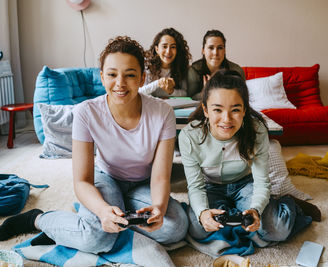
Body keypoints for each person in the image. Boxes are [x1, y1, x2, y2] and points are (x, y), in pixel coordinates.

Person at [0, 36, 188, 254]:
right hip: (106, 177)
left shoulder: (162, 112)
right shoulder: (85, 112)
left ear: (142, 78)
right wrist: (102, 210)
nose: (120, 83)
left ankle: (119, 211)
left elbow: (161, 176)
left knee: (176, 228)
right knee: (96, 239)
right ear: (102, 77)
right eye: (111, 74)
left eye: (130, 75)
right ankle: (38, 219)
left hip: (143, 182)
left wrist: (158, 207)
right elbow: (82, 181)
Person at [179, 69, 319, 243]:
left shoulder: (257, 130)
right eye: (217, 110)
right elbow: (195, 186)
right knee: (197, 229)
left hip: (245, 184)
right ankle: (234, 215)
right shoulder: (189, 136)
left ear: (244, 110)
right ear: (206, 110)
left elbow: (261, 182)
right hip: (210, 187)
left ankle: (288, 204)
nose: (226, 119)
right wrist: (202, 213)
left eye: (235, 110)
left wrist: (256, 209)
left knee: (277, 230)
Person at [187, 30, 245, 100]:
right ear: (203, 51)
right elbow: (189, 98)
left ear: (225, 50)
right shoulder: (194, 70)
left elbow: (242, 98)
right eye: (211, 48)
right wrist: (206, 92)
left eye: (220, 48)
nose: (215, 53)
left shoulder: (236, 70)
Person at [139, 28, 192, 98]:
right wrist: (158, 83)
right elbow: (140, 91)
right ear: (157, 49)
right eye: (164, 46)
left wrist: (171, 91)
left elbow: (185, 93)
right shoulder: (147, 66)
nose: (168, 51)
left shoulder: (181, 67)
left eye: (173, 47)